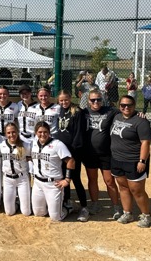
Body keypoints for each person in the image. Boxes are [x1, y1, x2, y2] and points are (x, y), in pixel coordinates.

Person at [110, 95, 151, 228]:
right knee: (123, 187)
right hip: (117, 159)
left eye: (129, 105)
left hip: (133, 160)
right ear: (119, 106)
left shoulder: (141, 121)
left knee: (137, 190)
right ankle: (127, 212)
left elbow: (145, 142)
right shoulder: (117, 117)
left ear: (134, 106)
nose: (126, 107)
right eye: (123, 105)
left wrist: (142, 161)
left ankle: (146, 215)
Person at [81, 89, 122, 220]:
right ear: (88, 101)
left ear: (102, 99)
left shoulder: (110, 111)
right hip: (89, 152)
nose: (96, 102)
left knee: (109, 181)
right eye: (93, 100)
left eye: (98, 99)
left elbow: (127, 112)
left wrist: (140, 114)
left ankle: (116, 206)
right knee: (92, 179)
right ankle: (95, 204)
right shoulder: (84, 112)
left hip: (106, 153)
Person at [31, 121, 75, 222]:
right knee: (38, 213)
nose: (43, 134)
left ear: (49, 132)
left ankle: (68, 207)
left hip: (53, 184)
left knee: (56, 218)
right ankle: (52, 206)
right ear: (36, 133)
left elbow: (71, 161)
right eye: (40, 132)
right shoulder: (33, 143)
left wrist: (67, 180)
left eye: (45, 132)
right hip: (38, 183)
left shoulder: (57, 144)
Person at [57, 90, 89, 222]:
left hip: (73, 150)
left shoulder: (77, 111)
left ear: (70, 98)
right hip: (61, 151)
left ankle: (84, 207)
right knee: (64, 177)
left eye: (66, 99)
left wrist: (74, 153)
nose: (64, 102)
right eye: (61, 100)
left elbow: (79, 133)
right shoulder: (59, 111)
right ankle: (68, 202)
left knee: (75, 178)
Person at [0, 123, 32, 216]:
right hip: (8, 179)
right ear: (5, 134)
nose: (11, 135)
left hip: (22, 178)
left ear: (17, 132)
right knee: (9, 212)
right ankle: (17, 204)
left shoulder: (26, 145)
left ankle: (22, 203)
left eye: (13, 132)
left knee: (26, 212)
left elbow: (32, 159)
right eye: (8, 133)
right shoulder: (1, 145)